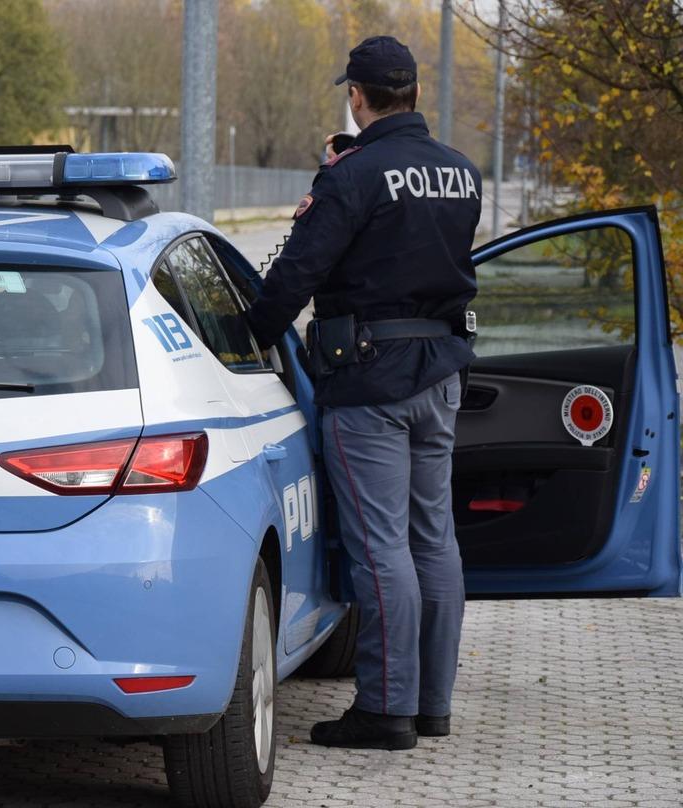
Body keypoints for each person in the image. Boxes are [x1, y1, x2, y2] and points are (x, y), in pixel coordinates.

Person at [244, 35, 481, 750]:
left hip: (370, 382)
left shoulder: (353, 177)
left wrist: (250, 330)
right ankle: (431, 704)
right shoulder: (460, 172)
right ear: (411, 93)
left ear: (357, 97)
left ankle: (385, 711)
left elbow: (296, 277)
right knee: (432, 539)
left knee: (382, 549)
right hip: (440, 372)